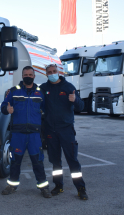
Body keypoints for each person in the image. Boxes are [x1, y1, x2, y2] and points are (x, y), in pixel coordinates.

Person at [0, 66, 52, 198]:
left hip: (34, 134)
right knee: (15, 162)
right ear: (22, 76)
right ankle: (12, 185)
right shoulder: (13, 91)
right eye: (25, 74)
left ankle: (43, 187)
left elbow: (46, 110)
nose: (28, 76)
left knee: (38, 161)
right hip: (18, 134)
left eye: (30, 74)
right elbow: (3, 106)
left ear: (34, 76)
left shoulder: (40, 92)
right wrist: (7, 109)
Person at [40, 64, 88, 200]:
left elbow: (81, 106)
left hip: (66, 130)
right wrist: (11, 91)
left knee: (72, 161)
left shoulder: (68, 87)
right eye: (49, 72)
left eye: (54, 71)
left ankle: (81, 188)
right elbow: (31, 94)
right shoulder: (44, 88)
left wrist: (76, 100)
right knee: (55, 162)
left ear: (58, 72)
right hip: (50, 131)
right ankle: (58, 186)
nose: (52, 73)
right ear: (46, 74)